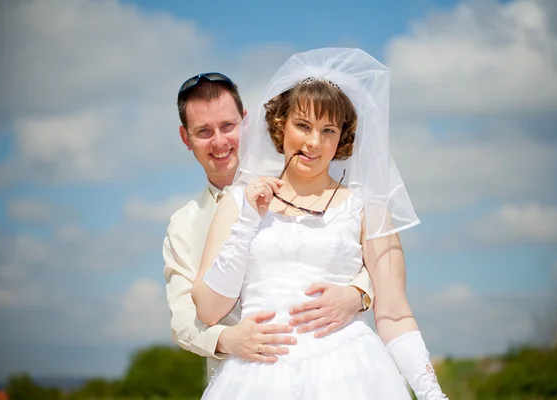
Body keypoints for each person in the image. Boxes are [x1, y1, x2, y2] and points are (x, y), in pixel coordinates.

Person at [192, 48, 449, 399]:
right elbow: (209, 309)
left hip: (350, 377)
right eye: (303, 125)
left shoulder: (366, 208)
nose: (314, 142)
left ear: (341, 138)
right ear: (281, 125)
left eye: (328, 130)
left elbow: (394, 313)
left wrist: (432, 394)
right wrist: (249, 219)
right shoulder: (239, 203)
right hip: (256, 379)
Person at [163, 72, 375, 381]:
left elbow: (363, 254)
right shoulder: (182, 225)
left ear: (246, 122)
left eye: (227, 126)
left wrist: (359, 294)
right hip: (243, 375)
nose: (219, 141)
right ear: (186, 138)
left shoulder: (300, 175)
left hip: (332, 368)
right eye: (204, 131)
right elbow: (183, 317)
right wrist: (225, 340)